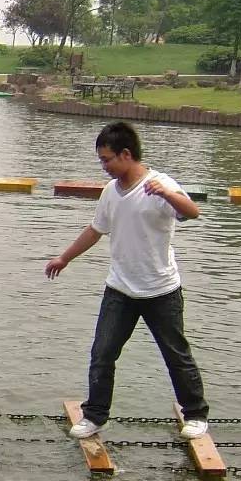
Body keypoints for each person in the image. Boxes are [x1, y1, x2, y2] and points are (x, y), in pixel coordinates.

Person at [45, 121, 210, 440]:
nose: (104, 166)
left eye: (107, 160)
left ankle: (196, 414)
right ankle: (95, 415)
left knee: (175, 353)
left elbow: (192, 212)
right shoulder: (110, 192)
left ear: (126, 154)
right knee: (103, 352)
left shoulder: (160, 184)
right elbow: (95, 229)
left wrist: (168, 194)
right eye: (101, 160)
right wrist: (64, 258)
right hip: (120, 288)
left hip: (160, 289)